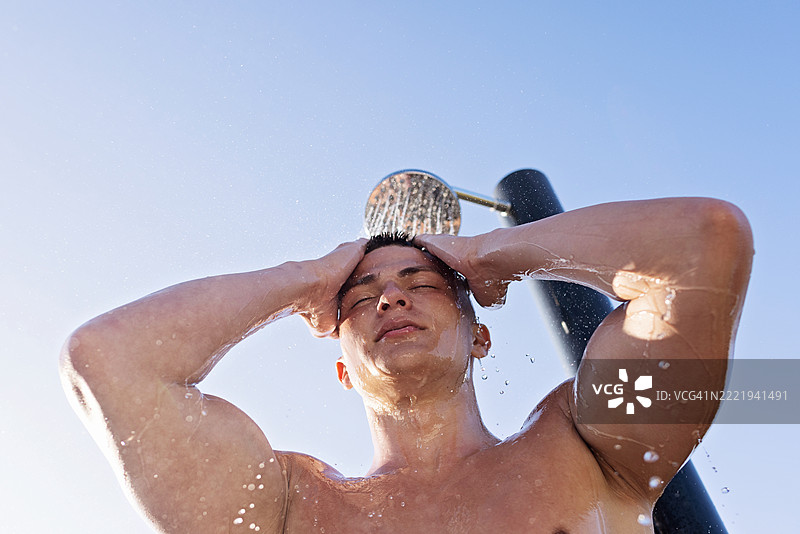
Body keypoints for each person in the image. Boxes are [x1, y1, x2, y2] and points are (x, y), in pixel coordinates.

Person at [60, 197, 753, 533]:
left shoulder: (587, 444)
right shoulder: (290, 509)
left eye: (422, 283)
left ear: (481, 339)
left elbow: (702, 244)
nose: (389, 293)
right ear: (342, 368)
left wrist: (485, 253)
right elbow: (108, 360)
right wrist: (304, 278)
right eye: (359, 295)